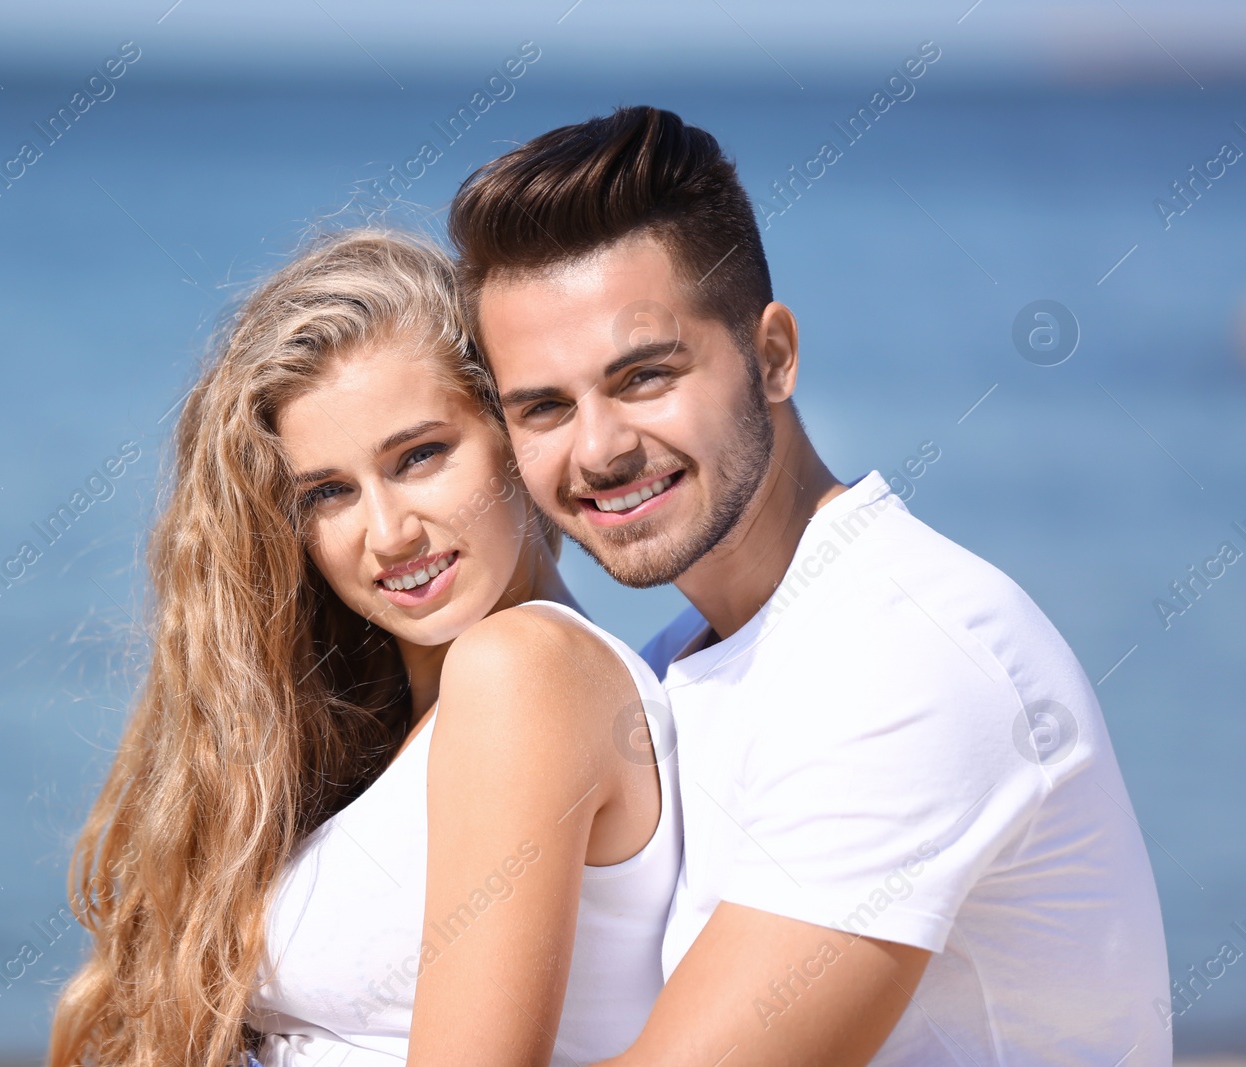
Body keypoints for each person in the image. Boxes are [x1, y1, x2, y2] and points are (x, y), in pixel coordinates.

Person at [449, 105, 1172, 1066]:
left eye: (646, 377)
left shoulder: (905, 657)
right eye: (544, 406)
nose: (600, 448)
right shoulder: (679, 665)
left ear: (773, 356)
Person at [46, 230, 680, 1067]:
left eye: (420, 456)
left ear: (514, 433)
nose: (387, 534)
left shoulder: (525, 667)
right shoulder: (424, 712)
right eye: (330, 493)